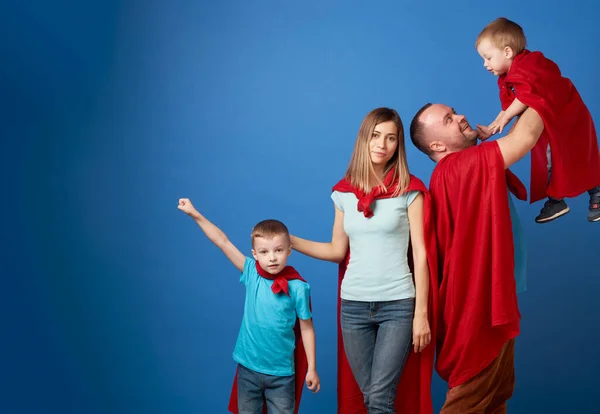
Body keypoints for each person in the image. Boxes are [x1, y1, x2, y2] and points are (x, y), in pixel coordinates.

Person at [291, 107, 439, 414]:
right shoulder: (344, 194)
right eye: (375, 136)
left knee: (380, 399)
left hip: (398, 305)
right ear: (363, 139)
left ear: (399, 146)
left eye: (391, 138)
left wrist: (421, 314)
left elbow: (421, 254)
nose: (382, 145)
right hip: (354, 307)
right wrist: (289, 241)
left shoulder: (409, 190)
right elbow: (336, 251)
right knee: (371, 397)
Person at [409, 103, 544, 413]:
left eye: (454, 111)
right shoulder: (455, 168)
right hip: (478, 308)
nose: (460, 117)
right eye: (448, 119)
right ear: (437, 145)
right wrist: (538, 88)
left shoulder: (462, 167)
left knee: (494, 402)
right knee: (467, 403)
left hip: (494, 299)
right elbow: (525, 137)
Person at [177, 200, 320, 414]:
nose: (272, 257)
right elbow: (222, 241)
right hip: (249, 369)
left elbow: (307, 328)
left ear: (289, 250)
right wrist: (194, 214)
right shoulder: (251, 273)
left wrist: (312, 368)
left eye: (278, 250)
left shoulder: (298, 287)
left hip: (281, 373)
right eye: (264, 252)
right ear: (254, 254)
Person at [475, 17, 600, 223]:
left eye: (488, 58)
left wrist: (505, 117)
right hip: (552, 121)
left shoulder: (529, 64)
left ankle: (594, 192)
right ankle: (557, 199)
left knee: (576, 154)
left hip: (568, 116)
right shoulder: (507, 76)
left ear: (507, 52)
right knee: (554, 159)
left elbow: (528, 94)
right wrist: (491, 128)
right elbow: (511, 106)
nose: (485, 64)